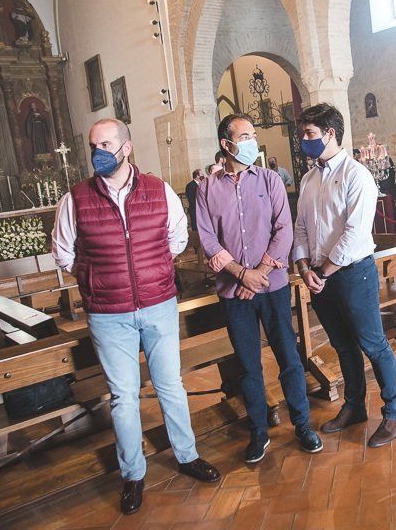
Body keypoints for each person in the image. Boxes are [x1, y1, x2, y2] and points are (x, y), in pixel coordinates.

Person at [51, 119, 219, 515]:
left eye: (106, 143)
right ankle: (132, 475)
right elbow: (63, 252)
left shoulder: (159, 190)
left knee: (171, 386)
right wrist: (96, 276)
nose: (98, 152)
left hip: (158, 303)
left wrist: (154, 270)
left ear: (126, 148)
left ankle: (187, 455)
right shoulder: (75, 199)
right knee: (123, 397)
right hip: (108, 313)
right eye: (94, 145)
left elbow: (178, 238)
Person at [196, 114, 322, 463]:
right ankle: (258, 432)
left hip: (273, 286)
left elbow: (283, 229)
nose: (253, 141)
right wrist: (241, 275)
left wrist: (259, 273)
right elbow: (207, 238)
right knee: (248, 365)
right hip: (234, 293)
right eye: (246, 136)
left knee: (289, 357)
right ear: (227, 144)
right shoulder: (208, 187)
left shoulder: (269, 180)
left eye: (253, 134)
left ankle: (302, 424)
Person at [293, 103, 396, 448]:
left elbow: (355, 233)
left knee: (373, 343)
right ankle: (354, 406)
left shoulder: (357, 175)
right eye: (303, 135)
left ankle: (393, 413)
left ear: (330, 134)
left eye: (310, 134)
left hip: (353, 273)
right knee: (342, 345)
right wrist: (303, 268)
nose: (304, 141)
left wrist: (323, 271)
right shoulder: (309, 179)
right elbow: (300, 230)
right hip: (317, 275)